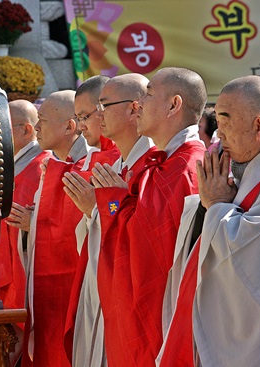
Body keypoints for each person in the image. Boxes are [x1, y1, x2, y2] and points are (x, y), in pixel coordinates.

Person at [92, 67, 206, 366]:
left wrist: (112, 202)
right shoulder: (168, 162)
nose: (139, 104)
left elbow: (150, 248)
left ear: (174, 105)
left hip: (159, 316)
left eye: (149, 95)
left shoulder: (187, 167)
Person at [158, 75, 260, 366]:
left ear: (259, 127)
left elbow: (258, 255)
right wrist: (209, 204)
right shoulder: (244, 169)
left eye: (225, 121)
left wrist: (218, 207)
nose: (218, 135)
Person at [8, 84, 119, 367]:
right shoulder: (60, 166)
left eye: (42, 121)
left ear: (68, 127)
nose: (38, 127)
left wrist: (36, 224)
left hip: (79, 284)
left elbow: (85, 224)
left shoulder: (93, 164)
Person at [62, 73, 154, 367]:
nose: (96, 118)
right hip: (101, 282)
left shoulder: (154, 165)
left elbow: (148, 239)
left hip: (130, 295)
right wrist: (93, 212)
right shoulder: (116, 165)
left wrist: (99, 209)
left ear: (134, 108)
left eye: (103, 106)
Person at [0, 99, 53, 365]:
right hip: (4, 271)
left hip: (21, 275)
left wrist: (34, 222)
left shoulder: (42, 167)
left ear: (27, 130)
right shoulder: (13, 165)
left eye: (2, 128)